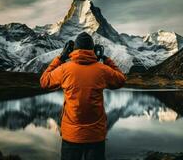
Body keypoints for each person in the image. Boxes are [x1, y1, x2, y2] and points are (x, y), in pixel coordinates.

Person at [40, 32, 126, 160]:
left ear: (74, 49)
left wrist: (61, 58)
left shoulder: (64, 69)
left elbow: (44, 81)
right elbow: (121, 80)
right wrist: (105, 58)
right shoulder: (102, 70)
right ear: (93, 50)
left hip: (71, 136)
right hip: (95, 136)